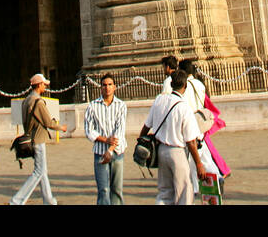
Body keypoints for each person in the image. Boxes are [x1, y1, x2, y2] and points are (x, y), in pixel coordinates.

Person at [138, 70, 209, 205]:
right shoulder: (184, 107)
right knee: (184, 191)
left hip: (160, 150)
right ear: (185, 86)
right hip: (177, 152)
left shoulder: (159, 100)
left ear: (170, 83)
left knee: (165, 191)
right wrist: (199, 164)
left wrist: (142, 141)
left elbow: (146, 127)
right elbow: (191, 141)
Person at [10, 73, 67, 205]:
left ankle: (49, 200)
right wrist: (61, 128)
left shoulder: (26, 100)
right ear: (39, 85)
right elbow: (48, 122)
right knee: (38, 172)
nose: (45, 87)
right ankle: (17, 200)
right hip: (38, 140)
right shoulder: (38, 102)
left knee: (42, 171)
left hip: (31, 137)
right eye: (44, 85)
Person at [83, 73, 127, 205]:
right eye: (104, 85)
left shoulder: (121, 105)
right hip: (100, 152)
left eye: (109, 85)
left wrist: (111, 150)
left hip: (117, 152)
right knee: (103, 189)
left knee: (117, 189)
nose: (107, 88)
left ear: (115, 87)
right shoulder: (92, 106)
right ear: (100, 87)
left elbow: (120, 130)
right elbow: (89, 130)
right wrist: (105, 140)